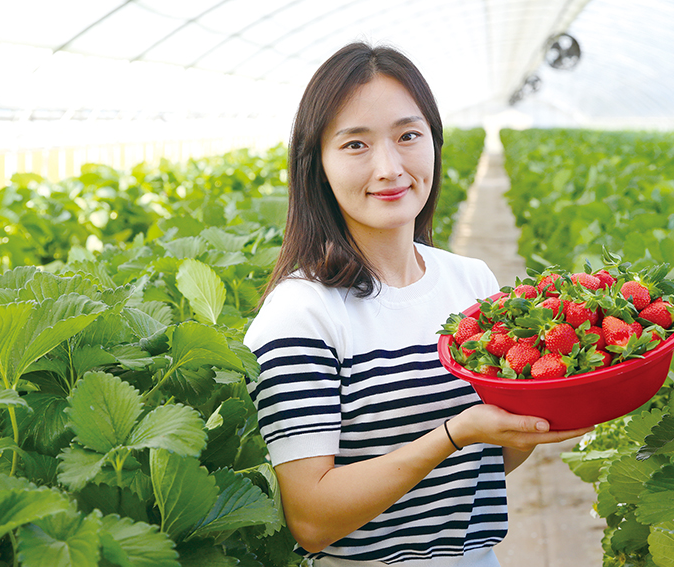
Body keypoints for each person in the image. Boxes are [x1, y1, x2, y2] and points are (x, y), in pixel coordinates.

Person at [243, 41, 593, 567]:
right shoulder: (301, 315)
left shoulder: (471, 282)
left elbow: (486, 464)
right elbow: (312, 519)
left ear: (434, 142)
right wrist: (451, 435)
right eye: (356, 145)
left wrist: (538, 418)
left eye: (409, 136)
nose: (389, 168)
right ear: (317, 163)